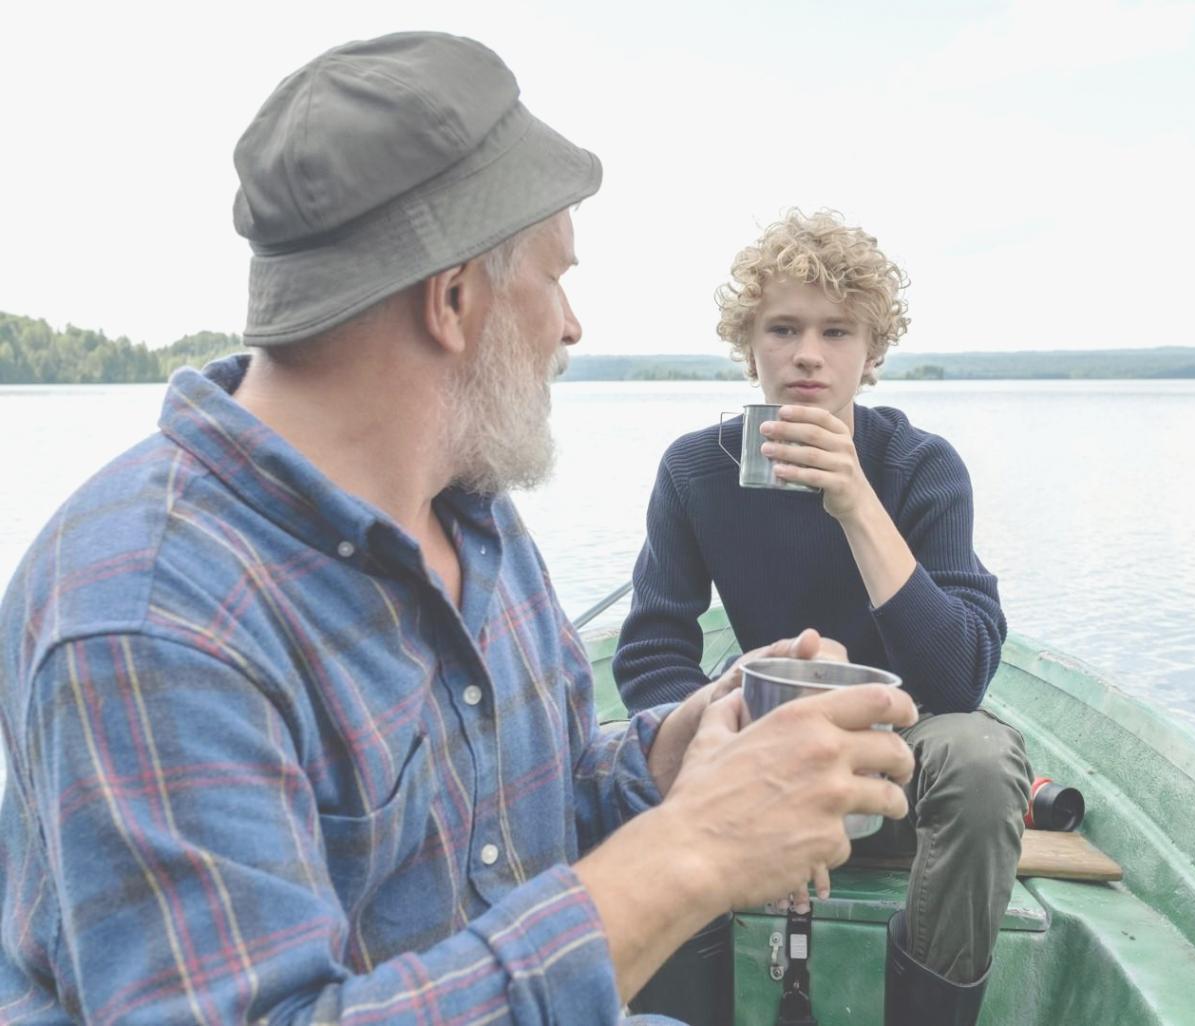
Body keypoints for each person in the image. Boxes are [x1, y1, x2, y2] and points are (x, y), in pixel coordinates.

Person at [0, 34, 920, 1026]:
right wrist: (692, 853)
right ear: (452, 300)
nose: (573, 328)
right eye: (556, 278)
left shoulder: (469, 513)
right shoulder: (150, 613)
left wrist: (680, 746)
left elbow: (543, 806)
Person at [613, 210, 1032, 1025]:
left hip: (893, 753)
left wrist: (855, 502)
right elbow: (654, 650)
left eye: (837, 331)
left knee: (982, 762)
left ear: (871, 355)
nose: (808, 353)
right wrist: (716, 721)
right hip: (754, 750)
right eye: (783, 327)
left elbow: (959, 679)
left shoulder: (919, 466)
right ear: (750, 346)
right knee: (648, 754)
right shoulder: (696, 469)